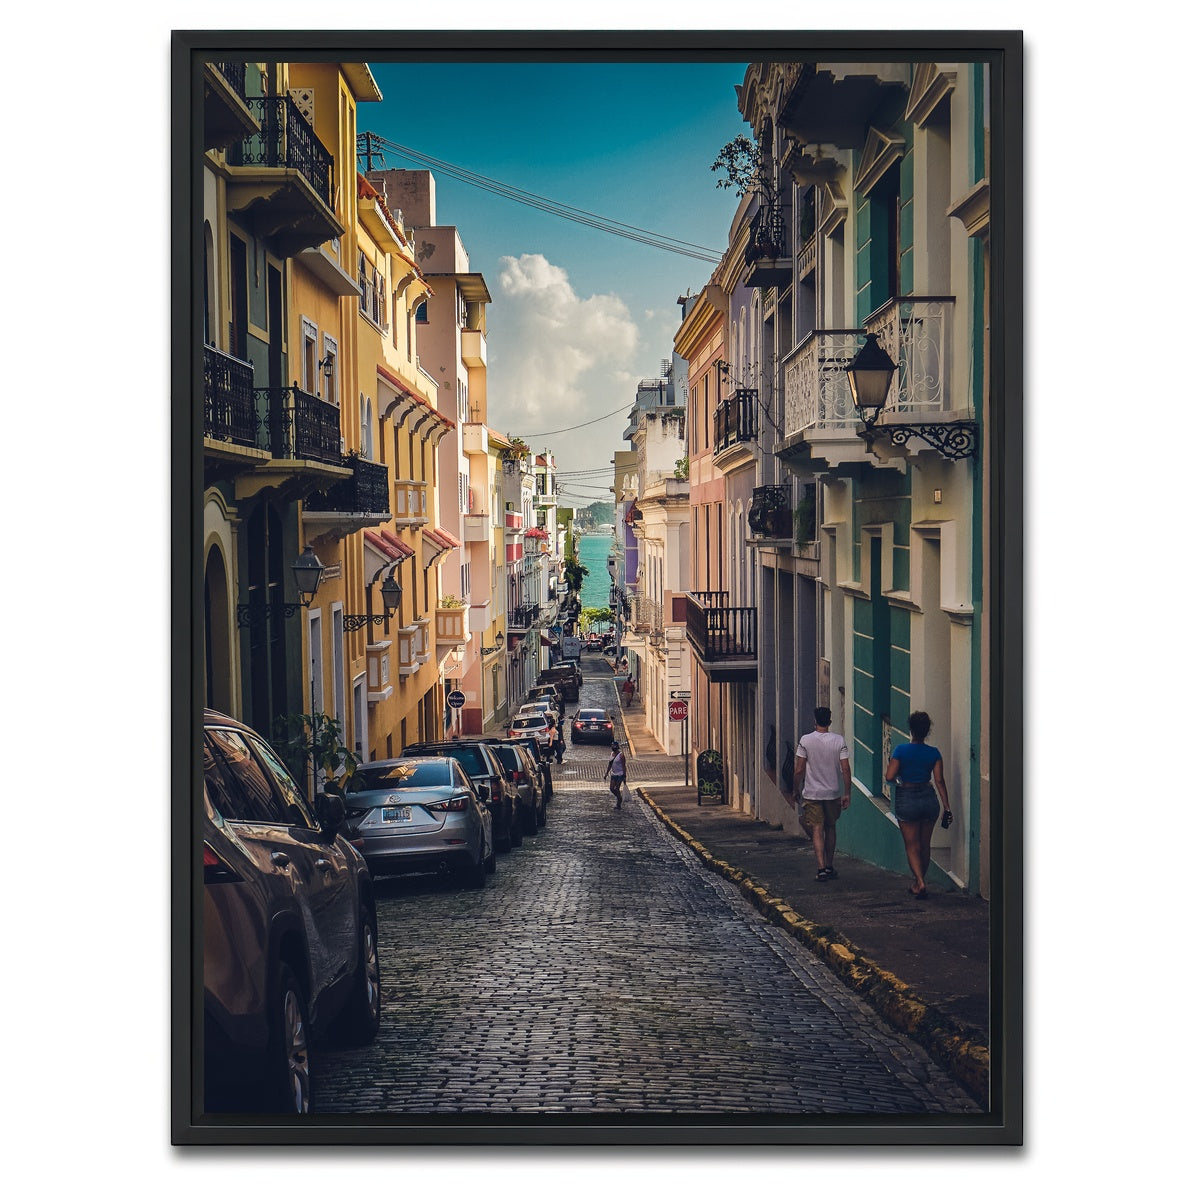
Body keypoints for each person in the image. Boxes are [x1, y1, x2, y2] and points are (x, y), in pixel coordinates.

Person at [885, 711, 952, 899]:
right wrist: (946, 807)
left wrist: (900, 780)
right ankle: (919, 881)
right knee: (924, 844)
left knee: (911, 845)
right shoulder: (934, 753)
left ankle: (920, 882)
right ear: (927, 731)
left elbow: (889, 776)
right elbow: (939, 781)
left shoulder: (900, 750)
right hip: (929, 798)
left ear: (911, 729)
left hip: (907, 797)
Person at [794, 706, 851, 883]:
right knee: (830, 827)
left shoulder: (806, 740)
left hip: (812, 793)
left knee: (817, 829)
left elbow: (799, 769)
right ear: (830, 721)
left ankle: (820, 869)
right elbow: (845, 769)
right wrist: (847, 792)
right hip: (832, 792)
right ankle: (829, 865)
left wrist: (795, 788)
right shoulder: (838, 740)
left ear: (815, 721)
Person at [604, 741, 627, 810]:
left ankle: (618, 803)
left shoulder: (621, 755)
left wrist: (624, 775)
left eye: (614, 746)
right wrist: (606, 773)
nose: (612, 747)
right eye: (612, 745)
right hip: (614, 774)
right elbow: (610, 764)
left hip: (620, 774)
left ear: (617, 746)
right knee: (611, 788)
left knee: (617, 788)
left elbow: (624, 766)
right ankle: (619, 798)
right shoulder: (611, 754)